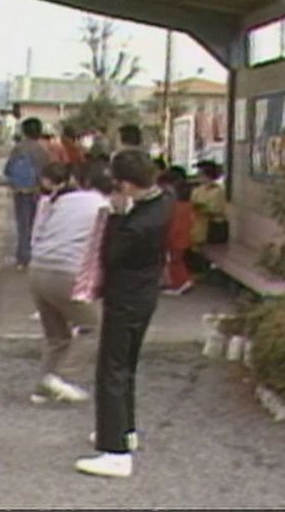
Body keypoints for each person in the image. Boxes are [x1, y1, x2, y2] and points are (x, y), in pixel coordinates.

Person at [75, 150, 174, 479]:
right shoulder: (164, 202)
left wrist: (117, 216)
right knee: (126, 365)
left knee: (111, 370)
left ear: (128, 185)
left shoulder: (136, 225)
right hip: (144, 297)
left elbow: (112, 255)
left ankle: (114, 452)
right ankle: (124, 430)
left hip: (125, 299)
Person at [27, 162, 111, 404]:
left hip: (38, 270)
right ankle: (63, 377)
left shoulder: (63, 201)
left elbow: (40, 231)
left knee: (56, 336)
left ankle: (42, 390)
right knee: (94, 328)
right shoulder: (104, 207)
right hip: (67, 273)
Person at [4, 117, 51, 271]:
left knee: (22, 225)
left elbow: (8, 170)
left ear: (24, 131)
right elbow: (46, 173)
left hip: (20, 191)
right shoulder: (42, 151)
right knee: (35, 225)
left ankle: (22, 259)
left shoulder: (18, 148)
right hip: (37, 192)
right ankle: (33, 256)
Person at [157, 168, 195, 296]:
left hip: (176, 237)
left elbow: (174, 226)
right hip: (182, 237)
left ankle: (182, 282)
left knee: (175, 260)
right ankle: (178, 282)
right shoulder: (185, 206)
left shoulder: (176, 207)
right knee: (176, 260)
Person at [189, 160, 228, 260]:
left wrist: (201, 208)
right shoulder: (197, 190)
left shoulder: (218, 191)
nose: (198, 175)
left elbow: (216, 210)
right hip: (196, 224)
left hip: (211, 227)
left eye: (200, 173)